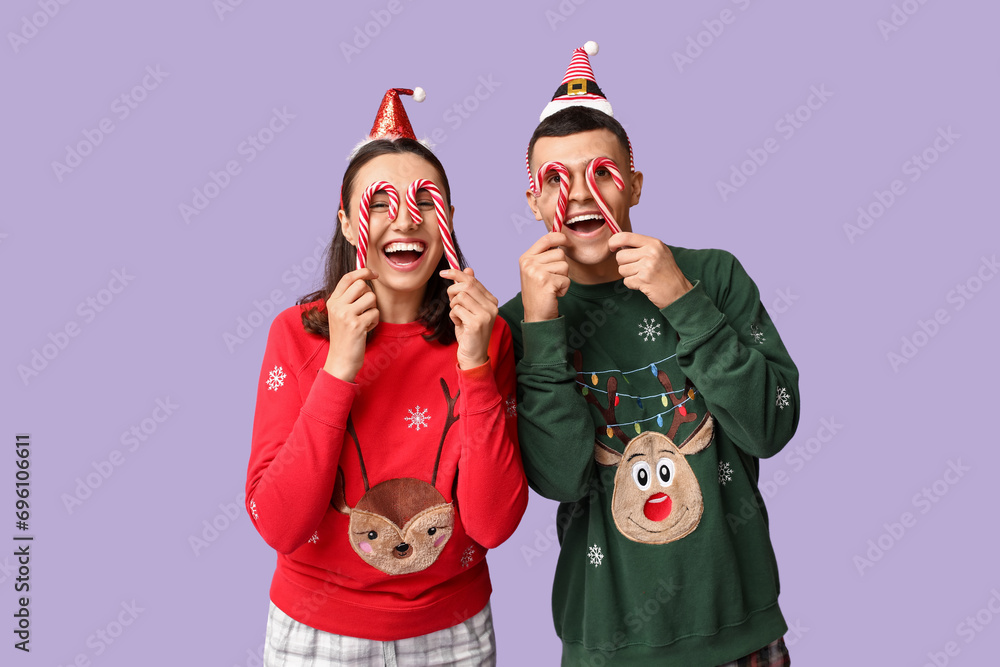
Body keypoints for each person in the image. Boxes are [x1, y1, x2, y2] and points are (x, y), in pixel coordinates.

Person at [499, 43, 800, 666]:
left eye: (600, 172)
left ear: (633, 183)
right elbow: (559, 478)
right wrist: (541, 327)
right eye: (555, 178)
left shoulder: (712, 277)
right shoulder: (519, 322)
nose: (579, 194)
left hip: (738, 627)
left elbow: (771, 426)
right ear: (531, 200)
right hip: (606, 640)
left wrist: (683, 301)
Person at [246, 88, 527, 667]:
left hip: (453, 633)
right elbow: (278, 523)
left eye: (426, 200)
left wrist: (475, 365)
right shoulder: (297, 335)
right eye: (379, 203)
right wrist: (340, 367)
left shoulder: (486, 333)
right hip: (314, 633)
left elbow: (493, 523)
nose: (405, 219)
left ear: (447, 220)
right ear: (348, 222)